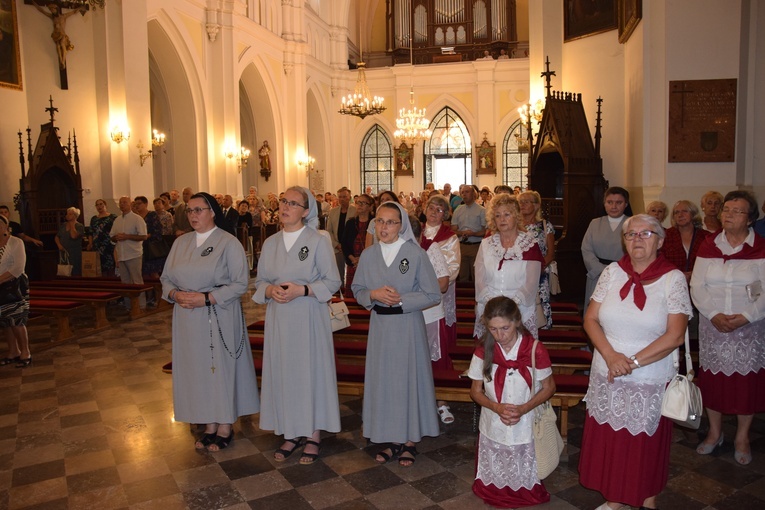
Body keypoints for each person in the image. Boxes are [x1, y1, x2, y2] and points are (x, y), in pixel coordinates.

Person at [579, 214, 692, 510]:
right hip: (607, 370)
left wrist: (631, 362)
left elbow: (675, 336)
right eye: (631, 235)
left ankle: (646, 499)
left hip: (648, 376)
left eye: (645, 234)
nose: (637, 239)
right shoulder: (612, 272)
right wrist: (610, 355)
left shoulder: (673, 278)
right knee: (612, 441)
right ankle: (615, 500)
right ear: (624, 241)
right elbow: (590, 319)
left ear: (659, 240)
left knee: (643, 445)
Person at [161, 192, 258, 451]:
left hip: (218, 313)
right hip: (186, 317)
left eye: (199, 210)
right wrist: (174, 294)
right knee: (197, 369)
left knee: (219, 368)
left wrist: (208, 298)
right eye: (190, 211)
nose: (193, 215)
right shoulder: (181, 243)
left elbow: (240, 283)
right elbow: (166, 278)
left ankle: (225, 423)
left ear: (212, 212)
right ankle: (208, 424)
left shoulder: (228, 243)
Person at [253, 187, 341, 465]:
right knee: (285, 373)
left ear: (306, 211)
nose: (285, 206)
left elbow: (332, 281)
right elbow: (260, 281)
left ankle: (312, 433)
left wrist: (302, 291)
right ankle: (291, 431)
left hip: (308, 317)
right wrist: (269, 292)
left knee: (309, 373)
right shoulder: (270, 243)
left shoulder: (316, 241)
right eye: (283, 201)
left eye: (293, 203)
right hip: (279, 320)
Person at [352, 202, 441, 467]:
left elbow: (432, 294)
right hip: (380, 328)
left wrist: (401, 300)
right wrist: (373, 294)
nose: (384, 227)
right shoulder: (368, 255)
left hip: (407, 327)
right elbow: (357, 289)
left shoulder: (414, 254)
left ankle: (410, 440)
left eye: (390, 222)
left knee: (406, 381)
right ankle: (391, 438)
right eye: (380, 221)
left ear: (401, 225)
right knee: (385, 383)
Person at [691, 190, 765, 466]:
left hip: (750, 326)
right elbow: (697, 286)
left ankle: (742, 436)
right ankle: (714, 432)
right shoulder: (709, 245)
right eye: (727, 210)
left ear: (751, 219)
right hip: (714, 326)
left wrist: (746, 316)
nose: (729, 214)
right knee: (714, 382)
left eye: (737, 211)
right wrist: (713, 314)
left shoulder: (761, 248)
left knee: (745, 383)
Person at [468, 296, 555, 508]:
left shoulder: (534, 349)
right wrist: (496, 407)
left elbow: (549, 387)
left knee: (521, 454)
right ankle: (493, 486)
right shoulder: (483, 349)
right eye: (493, 329)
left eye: (505, 328)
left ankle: (523, 488)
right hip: (493, 418)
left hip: (526, 419)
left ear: (517, 321)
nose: (500, 335)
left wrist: (524, 408)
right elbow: (475, 392)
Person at [475, 194, 544, 339]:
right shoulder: (486, 244)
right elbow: (480, 280)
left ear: (517, 216)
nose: (502, 219)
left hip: (519, 310)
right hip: (490, 309)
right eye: (498, 215)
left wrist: (508, 308)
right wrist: (493, 306)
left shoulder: (529, 245)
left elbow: (531, 284)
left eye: (507, 214)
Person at [421, 194, 461, 423]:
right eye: (432, 208)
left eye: (440, 210)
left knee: (439, 344)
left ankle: (442, 398)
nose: (435, 212)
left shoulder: (449, 237)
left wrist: (433, 282)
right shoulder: (415, 231)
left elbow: (453, 268)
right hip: (417, 296)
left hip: (439, 293)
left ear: (445, 214)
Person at [581, 187, 630, 313]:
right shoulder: (595, 223)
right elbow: (586, 249)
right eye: (610, 202)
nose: (614, 206)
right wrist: (601, 270)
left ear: (626, 204)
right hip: (598, 274)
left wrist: (618, 271)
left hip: (624, 275)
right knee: (595, 312)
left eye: (619, 202)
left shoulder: (632, 224)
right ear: (604, 204)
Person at [519, 191, 556, 329]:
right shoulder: (515, 226)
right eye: (520, 202)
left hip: (540, 274)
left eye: (526, 202)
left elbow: (551, 253)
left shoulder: (545, 226)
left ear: (536, 205)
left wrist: (537, 271)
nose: (522, 205)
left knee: (540, 305)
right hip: (518, 274)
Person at [0, 215, 32, 368]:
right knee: (5, 321)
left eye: (1, 225)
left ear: (7, 227)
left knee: (17, 320)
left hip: (15, 286)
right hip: (0, 288)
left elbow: (18, 268)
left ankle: (25, 352)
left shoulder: (15, 242)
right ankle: (13, 351)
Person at [110, 197, 148, 305]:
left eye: (124, 202)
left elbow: (144, 236)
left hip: (133, 254)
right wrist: (116, 237)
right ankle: (128, 305)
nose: (122, 205)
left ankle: (141, 305)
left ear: (130, 204)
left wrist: (127, 236)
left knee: (137, 281)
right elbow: (111, 236)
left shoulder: (137, 219)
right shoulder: (117, 220)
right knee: (125, 282)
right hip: (121, 254)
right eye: (120, 203)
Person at [661, 200, 708, 281]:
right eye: (676, 212)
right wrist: (679, 274)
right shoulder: (665, 236)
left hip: (701, 281)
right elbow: (659, 261)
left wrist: (693, 274)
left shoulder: (706, 237)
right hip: (672, 281)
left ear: (693, 214)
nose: (680, 215)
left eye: (684, 211)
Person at [341, 193, 374, 297]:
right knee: (352, 294)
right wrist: (352, 259)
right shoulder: (351, 223)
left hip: (369, 264)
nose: (359, 205)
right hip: (353, 263)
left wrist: (362, 259)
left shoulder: (374, 222)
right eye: (357, 203)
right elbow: (344, 243)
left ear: (370, 206)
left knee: (366, 293)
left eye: (363, 203)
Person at [452, 185, 487, 282]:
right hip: (462, 246)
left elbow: (485, 231)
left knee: (477, 275)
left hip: (476, 246)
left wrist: (473, 234)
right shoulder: (458, 210)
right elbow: (453, 229)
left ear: (474, 194)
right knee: (462, 276)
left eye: (467, 192)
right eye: (462, 192)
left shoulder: (481, 210)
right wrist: (461, 233)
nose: (464, 194)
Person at [326, 187, 356, 289]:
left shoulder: (355, 211)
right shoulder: (333, 211)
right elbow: (329, 230)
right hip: (337, 246)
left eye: (344, 197)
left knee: (353, 272)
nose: (342, 199)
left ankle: (351, 292)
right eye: (340, 197)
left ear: (349, 197)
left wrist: (347, 246)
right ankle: (340, 292)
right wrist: (336, 244)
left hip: (351, 248)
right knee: (338, 271)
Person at [133, 196, 166, 280]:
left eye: (139, 203)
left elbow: (158, 231)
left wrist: (147, 235)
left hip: (151, 248)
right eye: (135, 204)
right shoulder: (135, 217)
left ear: (146, 204)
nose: (137, 206)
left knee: (153, 273)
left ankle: (158, 291)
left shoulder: (152, 215)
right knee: (142, 274)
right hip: (139, 247)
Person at [87, 199, 117, 277]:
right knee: (99, 267)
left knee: (110, 267)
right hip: (97, 245)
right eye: (97, 205)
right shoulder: (94, 218)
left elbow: (116, 230)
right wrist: (90, 243)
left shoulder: (112, 217)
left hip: (109, 245)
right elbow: (90, 232)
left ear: (105, 205)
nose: (99, 206)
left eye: (101, 204)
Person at [55, 206, 85, 276]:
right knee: (64, 272)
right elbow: (57, 237)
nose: (67, 215)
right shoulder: (64, 225)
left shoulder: (79, 226)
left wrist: (72, 224)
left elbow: (73, 236)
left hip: (74, 252)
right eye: (67, 214)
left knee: (75, 271)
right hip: (63, 252)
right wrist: (59, 245)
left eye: (70, 214)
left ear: (75, 216)